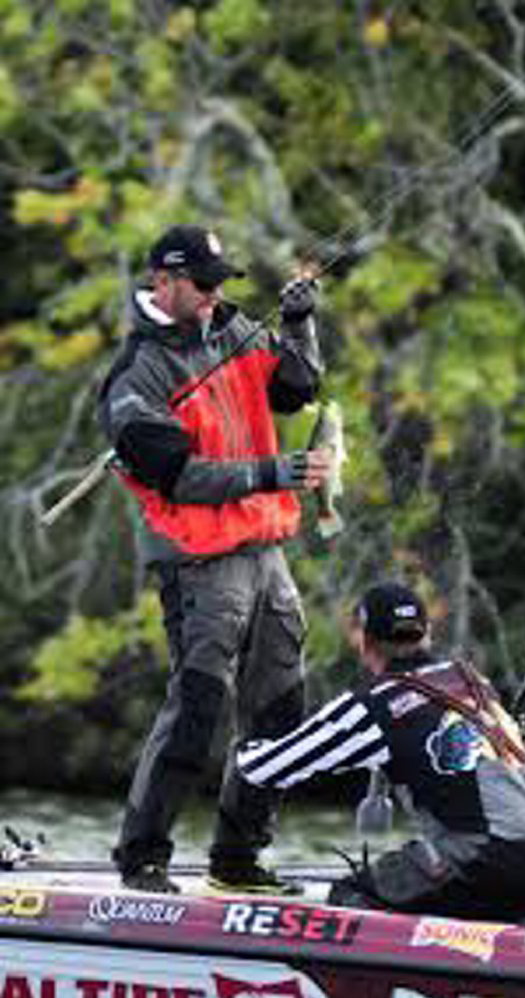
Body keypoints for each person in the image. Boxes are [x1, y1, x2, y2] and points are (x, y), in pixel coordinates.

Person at [98, 223, 331, 894]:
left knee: (282, 708)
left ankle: (237, 859)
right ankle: (142, 858)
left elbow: (298, 388)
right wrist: (271, 472)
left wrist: (297, 323)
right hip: (197, 561)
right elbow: (178, 477)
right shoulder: (134, 375)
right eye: (200, 284)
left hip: (265, 550)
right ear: (162, 281)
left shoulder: (232, 329)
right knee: (199, 705)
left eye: (218, 283)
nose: (211, 296)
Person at [237, 581, 525, 919]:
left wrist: (247, 736)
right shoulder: (472, 680)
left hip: (495, 857)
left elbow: (262, 769)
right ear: (427, 632)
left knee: (352, 894)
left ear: (364, 640)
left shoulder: (372, 705)